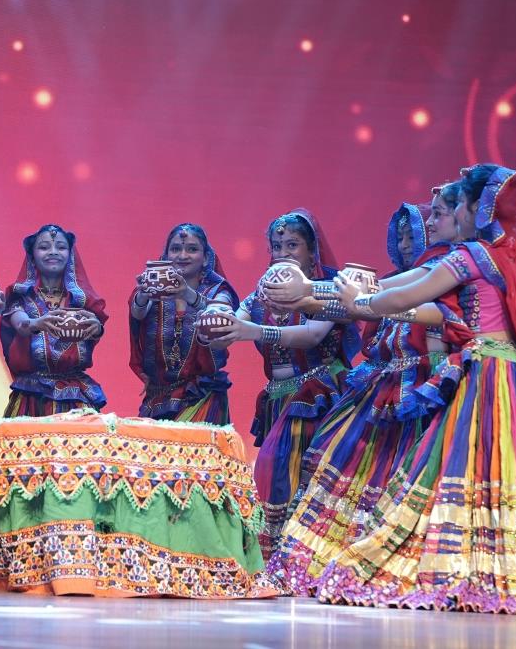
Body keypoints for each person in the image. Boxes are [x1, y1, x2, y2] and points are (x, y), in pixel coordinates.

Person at [318, 165, 516, 614]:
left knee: (462, 467)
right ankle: (514, 563)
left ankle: (468, 564)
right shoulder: (514, 256)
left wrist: (358, 303)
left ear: (478, 208)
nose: (454, 214)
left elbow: (409, 295)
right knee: (513, 468)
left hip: (485, 375)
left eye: (458, 205)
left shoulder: (474, 255)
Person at [267, 198, 459, 594]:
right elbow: (359, 309)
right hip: (379, 389)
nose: (405, 245)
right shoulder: (399, 277)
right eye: (400, 237)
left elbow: (383, 308)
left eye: (412, 235)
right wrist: (306, 300)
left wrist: (308, 294)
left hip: (421, 392)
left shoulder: (446, 271)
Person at [209, 209, 359, 558]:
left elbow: (312, 335)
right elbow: (236, 320)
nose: (283, 253)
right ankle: (280, 558)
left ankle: (301, 556)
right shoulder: (265, 289)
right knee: (279, 475)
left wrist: (254, 331)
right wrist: (215, 322)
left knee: (297, 476)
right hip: (278, 397)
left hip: (317, 393)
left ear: (312, 250)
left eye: (293, 245)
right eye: (277, 246)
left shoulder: (327, 285)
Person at [129, 223, 236, 421]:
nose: (183, 255)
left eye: (192, 249)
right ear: (166, 256)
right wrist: (143, 295)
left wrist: (187, 294)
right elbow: (137, 313)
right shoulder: (154, 291)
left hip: (201, 398)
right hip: (157, 397)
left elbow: (222, 314)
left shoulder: (218, 291)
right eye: (176, 249)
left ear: (206, 258)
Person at [0, 224, 107, 416]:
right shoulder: (21, 297)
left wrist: (97, 329)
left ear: (70, 254)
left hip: (76, 395)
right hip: (32, 396)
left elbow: (96, 329)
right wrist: (36, 323)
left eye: (61, 247)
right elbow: (21, 324)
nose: (53, 252)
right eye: (44, 247)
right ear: (32, 255)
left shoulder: (82, 300)